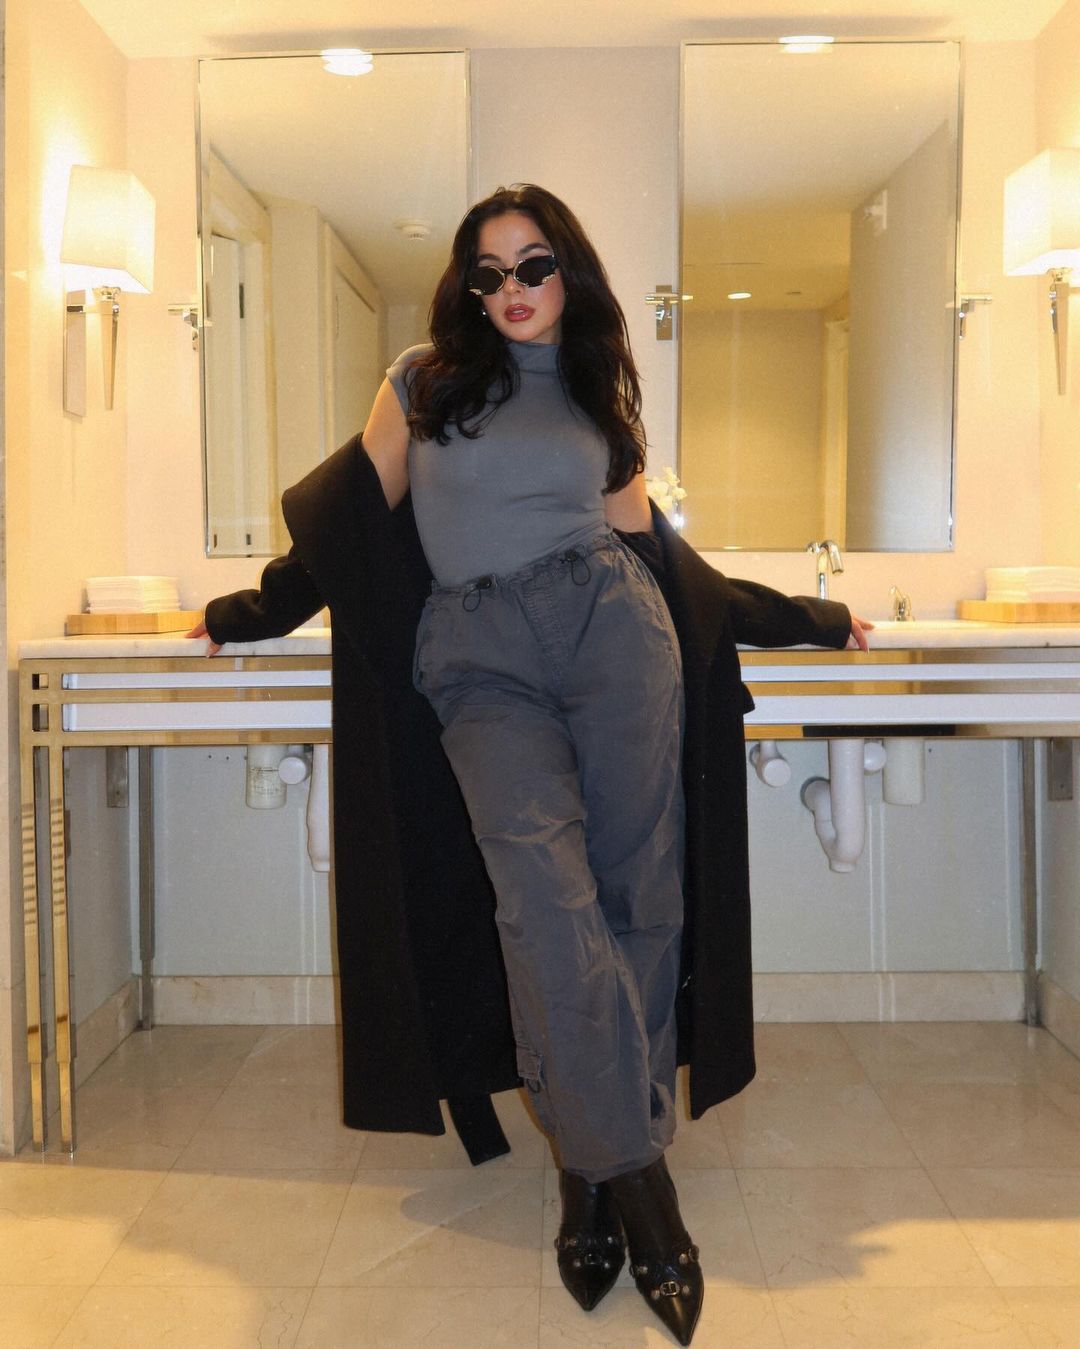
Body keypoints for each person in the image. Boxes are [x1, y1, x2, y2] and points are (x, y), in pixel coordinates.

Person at [192, 184, 868, 1345]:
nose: (511, 288)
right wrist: (250, 610)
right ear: (466, 286)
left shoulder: (600, 396)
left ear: (570, 273)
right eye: (489, 271)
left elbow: (665, 558)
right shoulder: (424, 381)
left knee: (640, 900)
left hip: (615, 634)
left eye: (535, 265)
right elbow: (348, 524)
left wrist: (803, 616)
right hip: (479, 654)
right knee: (545, 905)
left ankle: (585, 1175)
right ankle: (640, 1184)